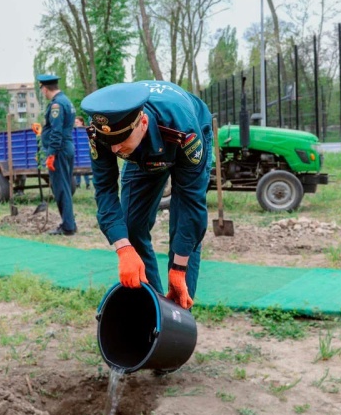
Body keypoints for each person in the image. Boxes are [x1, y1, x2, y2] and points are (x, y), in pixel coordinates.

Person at [80, 81, 212, 310]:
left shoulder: (184, 130)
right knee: (131, 226)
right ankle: (153, 307)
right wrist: (123, 249)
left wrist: (179, 269)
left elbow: (191, 206)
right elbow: (105, 191)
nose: (114, 150)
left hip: (179, 137)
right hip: (141, 154)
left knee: (184, 228)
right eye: (109, 143)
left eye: (120, 141)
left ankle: (180, 314)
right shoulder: (101, 131)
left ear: (143, 123)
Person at [38, 74, 77, 236]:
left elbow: (56, 131)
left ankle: (68, 227)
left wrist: (51, 154)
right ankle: (69, 224)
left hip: (59, 150)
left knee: (60, 189)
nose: (42, 93)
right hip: (66, 148)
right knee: (65, 187)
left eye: (42, 89)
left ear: (45, 89)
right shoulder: (66, 101)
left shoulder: (57, 105)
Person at [74, 116, 92, 190]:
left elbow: (91, 138)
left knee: (85, 168)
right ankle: (78, 184)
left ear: (81, 122)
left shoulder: (86, 129)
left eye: (77, 122)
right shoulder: (74, 130)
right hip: (77, 151)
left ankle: (87, 184)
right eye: (75, 122)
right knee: (78, 168)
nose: (76, 124)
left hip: (84, 151)